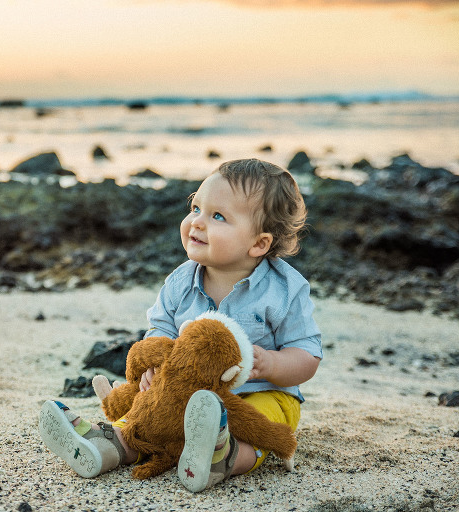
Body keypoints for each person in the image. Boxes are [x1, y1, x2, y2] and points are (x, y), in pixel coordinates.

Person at [38, 158, 322, 492]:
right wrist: (152, 366)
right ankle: (109, 445)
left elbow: (307, 355)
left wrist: (272, 364)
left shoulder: (285, 289)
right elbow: (159, 331)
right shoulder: (180, 281)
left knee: (263, 420)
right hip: (183, 395)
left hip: (262, 394)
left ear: (259, 243)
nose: (197, 223)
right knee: (150, 408)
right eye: (196, 207)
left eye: (217, 216)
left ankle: (223, 456)